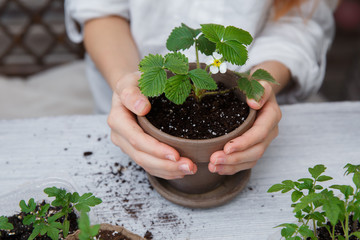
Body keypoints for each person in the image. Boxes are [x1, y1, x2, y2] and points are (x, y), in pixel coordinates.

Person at [65, 0, 337, 180]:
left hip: (256, 106)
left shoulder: (215, 67)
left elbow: (302, 20)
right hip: (121, 92)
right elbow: (98, 9)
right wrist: (126, 83)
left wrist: (262, 81)